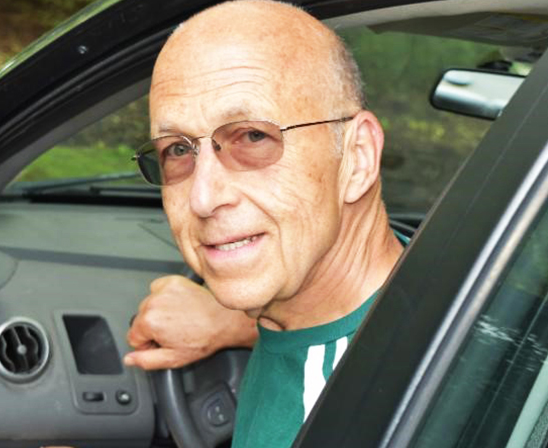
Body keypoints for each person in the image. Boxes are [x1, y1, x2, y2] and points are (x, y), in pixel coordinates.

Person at [124, 1, 406, 447]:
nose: (203, 197)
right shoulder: (423, 277)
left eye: (253, 137)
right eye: (177, 150)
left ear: (357, 158)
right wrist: (236, 324)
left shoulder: (340, 422)